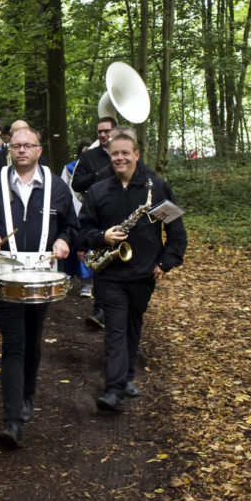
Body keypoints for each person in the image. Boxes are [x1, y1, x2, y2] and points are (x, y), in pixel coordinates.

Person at [0, 126, 79, 449]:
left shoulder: (57, 187)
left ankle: (27, 396)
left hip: (42, 277)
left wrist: (63, 240)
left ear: (39, 151)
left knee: (33, 341)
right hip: (5, 276)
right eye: (16, 146)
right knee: (14, 344)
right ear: (9, 149)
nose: (22, 151)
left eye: (28, 146)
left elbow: (73, 227)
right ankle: (12, 420)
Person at [78, 127, 187, 412]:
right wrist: (103, 237)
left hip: (144, 273)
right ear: (109, 156)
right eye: (115, 154)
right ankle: (114, 390)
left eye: (126, 153)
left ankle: (125, 378)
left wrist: (166, 262)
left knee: (132, 327)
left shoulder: (157, 188)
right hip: (110, 274)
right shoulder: (99, 189)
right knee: (115, 328)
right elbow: (82, 231)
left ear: (137, 155)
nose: (120, 158)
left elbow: (176, 231)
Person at [71, 116, 118, 327]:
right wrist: (97, 176)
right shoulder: (89, 156)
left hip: (122, 211)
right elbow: (76, 183)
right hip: (97, 213)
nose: (102, 135)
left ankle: (119, 309)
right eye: (99, 131)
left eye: (106, 131)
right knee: (101, 261)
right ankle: (99, 310)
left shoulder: (123, 153)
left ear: (115, 132)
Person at [61, 138, 93, 296]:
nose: (86, 153)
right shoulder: (69, 169)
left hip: (89, 213)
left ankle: (87, 283)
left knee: (86, 246)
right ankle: (67, 278)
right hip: (72, 210)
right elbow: (63, 189)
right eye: (83, 150)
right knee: (69, 244)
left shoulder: (96, 168)